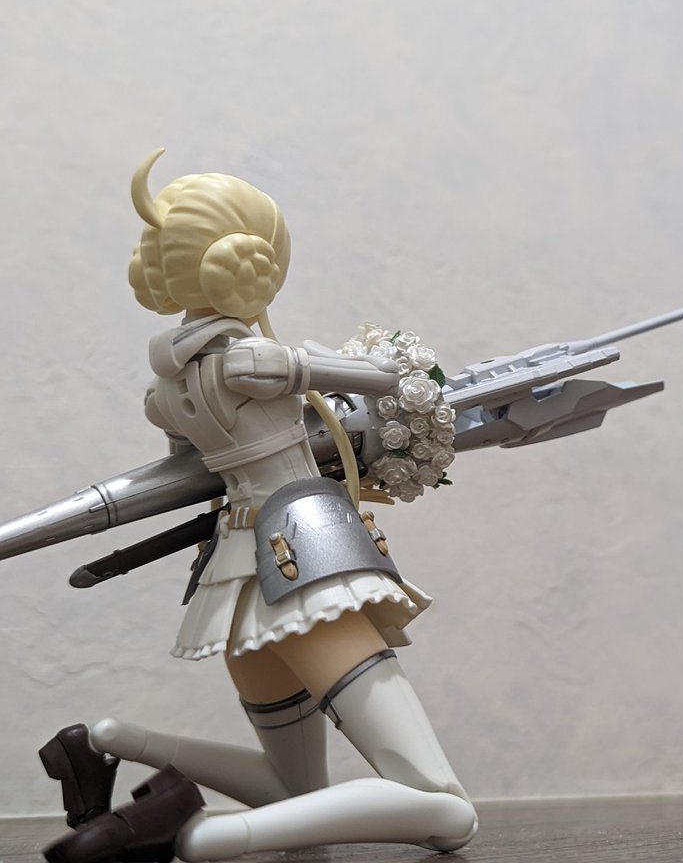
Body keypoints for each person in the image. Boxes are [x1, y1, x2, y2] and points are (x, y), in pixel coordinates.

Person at [40, 150, 477, 863]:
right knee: (446, 809)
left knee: (292, 786)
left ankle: (108, 741)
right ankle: (196, 835)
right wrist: (304, 364)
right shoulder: (256, 359)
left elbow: (193, 469)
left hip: (236, 581)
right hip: (308, 566)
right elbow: (395, 378)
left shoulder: (167, 386)